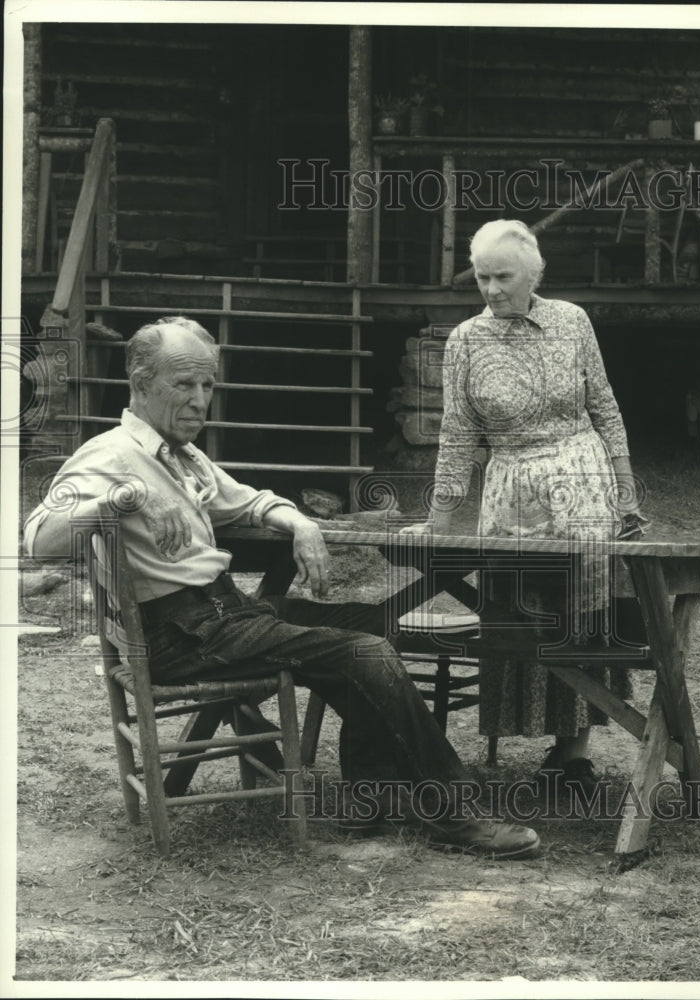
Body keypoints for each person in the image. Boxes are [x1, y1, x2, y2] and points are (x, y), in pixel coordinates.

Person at [23, 314, 541, 859]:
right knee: (362, 653)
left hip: (223, 615)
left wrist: (298, 521)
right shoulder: (109, 457)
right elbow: (38, 539)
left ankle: (369, 794)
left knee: (375, 625)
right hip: (182, 634)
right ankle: (455, 815)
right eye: (184, 385)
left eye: (208, 386)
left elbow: (245, 499)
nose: (200, 400)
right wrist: (118, 498)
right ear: (140, 384)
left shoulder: (182, 454)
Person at [402, 220, 648, 787]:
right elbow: (459, 434)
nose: (491, 289)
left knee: (583, 613)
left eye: (503, 277)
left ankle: (576, 751)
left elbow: (605, 408)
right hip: (511, 488)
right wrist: (439, 519)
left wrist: (625, 488)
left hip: (581, 481)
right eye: (482, 278)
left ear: (533, 274)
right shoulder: (465, 340)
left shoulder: (571, 321)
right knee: (520, 609)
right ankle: (529, 730)